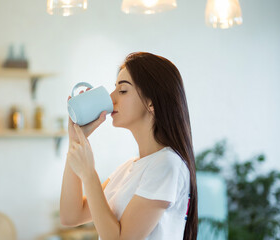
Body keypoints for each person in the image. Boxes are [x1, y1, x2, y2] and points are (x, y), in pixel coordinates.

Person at [60, 52, 198, 240]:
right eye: (114, 89)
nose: (111, 97)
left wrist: (89, 174)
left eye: (122, 90)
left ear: (151, 103)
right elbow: (71, 215)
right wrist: (76, 138)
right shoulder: (129, 168)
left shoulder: (167, 164)